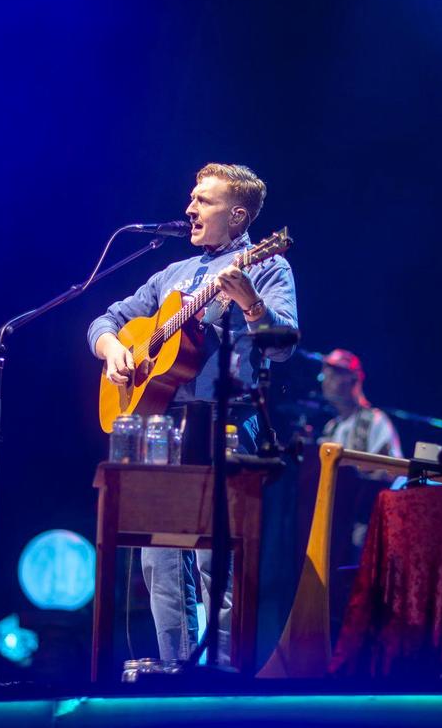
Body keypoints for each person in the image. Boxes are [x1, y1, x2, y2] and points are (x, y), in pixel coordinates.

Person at [87, 163, 298, 664]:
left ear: (238, 215)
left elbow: (285, 342)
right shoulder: (171, 274)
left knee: (213, 560)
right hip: (161, 427)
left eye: (204, 201)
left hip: (224, 424)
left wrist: (250, 306)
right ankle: (176, 673)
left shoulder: (266, 264)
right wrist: (112, 348)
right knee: (158, 562)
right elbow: (104, 319)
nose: (190, 209)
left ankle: (219, 680)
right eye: (192, 198)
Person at [318, 349, 403, 553]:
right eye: (325, 374)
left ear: (354, 379)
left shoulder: (375, 420)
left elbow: (394, 473)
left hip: (364, 525)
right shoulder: (332, 427)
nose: (326, 380)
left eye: (335, 374)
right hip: (335, 524)